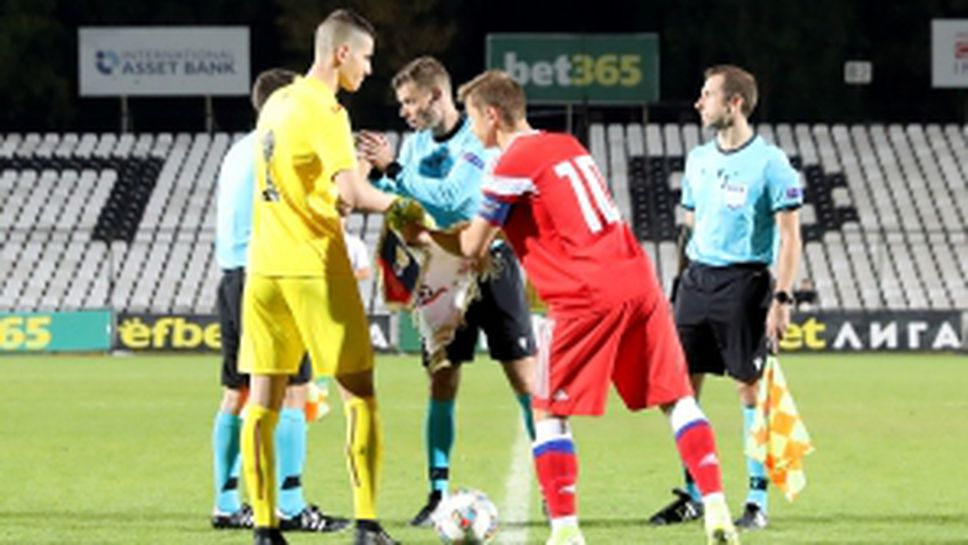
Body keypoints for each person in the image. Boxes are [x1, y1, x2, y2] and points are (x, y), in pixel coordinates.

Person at [427, 69, 740, 545]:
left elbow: (471, 245)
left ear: (492, 115)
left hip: (585, 295)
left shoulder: (512, 163)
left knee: (550, 411)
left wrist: (417, 231)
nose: (470, 129)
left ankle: (566, 530)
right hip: (638, 281)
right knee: (677, 400)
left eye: (472, 117)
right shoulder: (567, 145)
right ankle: (715, 502)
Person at [238, 9, 421, 545]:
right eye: (365, 57)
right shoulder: (326, 111)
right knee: (360, 394)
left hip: (264, 271)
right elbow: (353, 198)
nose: (367, 69)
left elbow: (311, 190)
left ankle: (266, 529)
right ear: (341, 53)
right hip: (314, 268)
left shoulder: (277, 102)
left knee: (262, 402)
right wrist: (408, 208)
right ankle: (366, 524)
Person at [356, 56, 536, 527]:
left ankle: (553, 478)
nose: (405, 112)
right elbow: (411, 201)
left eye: (411, 102)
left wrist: (394, 170)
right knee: (442, 379)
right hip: (440, 270)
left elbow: (454, 197)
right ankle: (437, 493)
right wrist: (382, 179)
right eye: (402, 104)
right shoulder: (414, 146)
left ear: (437, 96)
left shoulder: (477, 139)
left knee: (523, 378)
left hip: (490, 263)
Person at [648, 65, 802, 531]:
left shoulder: (771, 163)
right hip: (696, 282)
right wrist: (678, 285)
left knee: (748, 390)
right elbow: (688, 226)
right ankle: (695, 493)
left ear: (734, 103)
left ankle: (756, 502)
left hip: (745, 283)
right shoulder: (697, 160)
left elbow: (791, 237)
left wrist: (783, 298)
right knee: (679, 390)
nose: (699, 103)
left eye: (707, 94)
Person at [211, 67, 348, 534]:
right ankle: (289, 502)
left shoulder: (236, 152)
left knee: (237, 394)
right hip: (270, 275)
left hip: (231, 277)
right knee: (293, 391)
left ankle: (227, 502)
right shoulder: (279, 149)